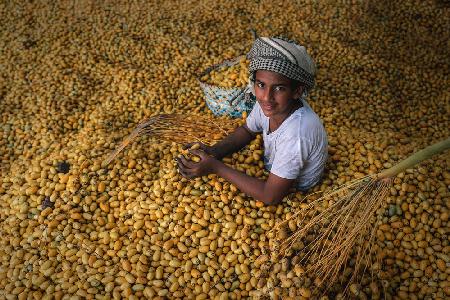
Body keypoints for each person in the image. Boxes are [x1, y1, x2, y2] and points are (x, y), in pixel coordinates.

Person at [177, 36, 328, 205]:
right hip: (274, 172)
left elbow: (270, 197)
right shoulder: (269, 105)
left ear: (297, 92)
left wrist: (216, 167)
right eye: (261, 85)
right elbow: (247, 130)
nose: (266, 97)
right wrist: (215, 151)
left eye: (279, 88)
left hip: (295, 190)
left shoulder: (297, 135)